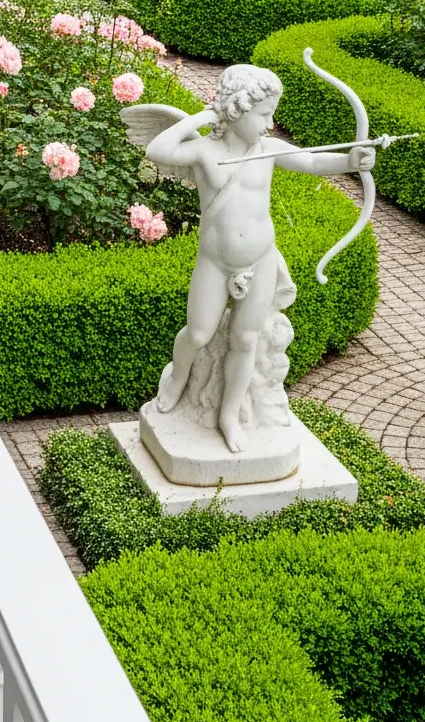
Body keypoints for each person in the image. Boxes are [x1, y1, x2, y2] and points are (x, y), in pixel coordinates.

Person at [143, 65, 375, 452]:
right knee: (197, 333)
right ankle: (178, 377)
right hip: (216, 262)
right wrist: (204, 117)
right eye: (264, 114)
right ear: (237, 110)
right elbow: (157, 151)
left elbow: (312, 161)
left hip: (261, 259)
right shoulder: (204, 151)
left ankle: (229, 415)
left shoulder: (267, 150)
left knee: (246, 339)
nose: (270, 123)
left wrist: (350, 161)